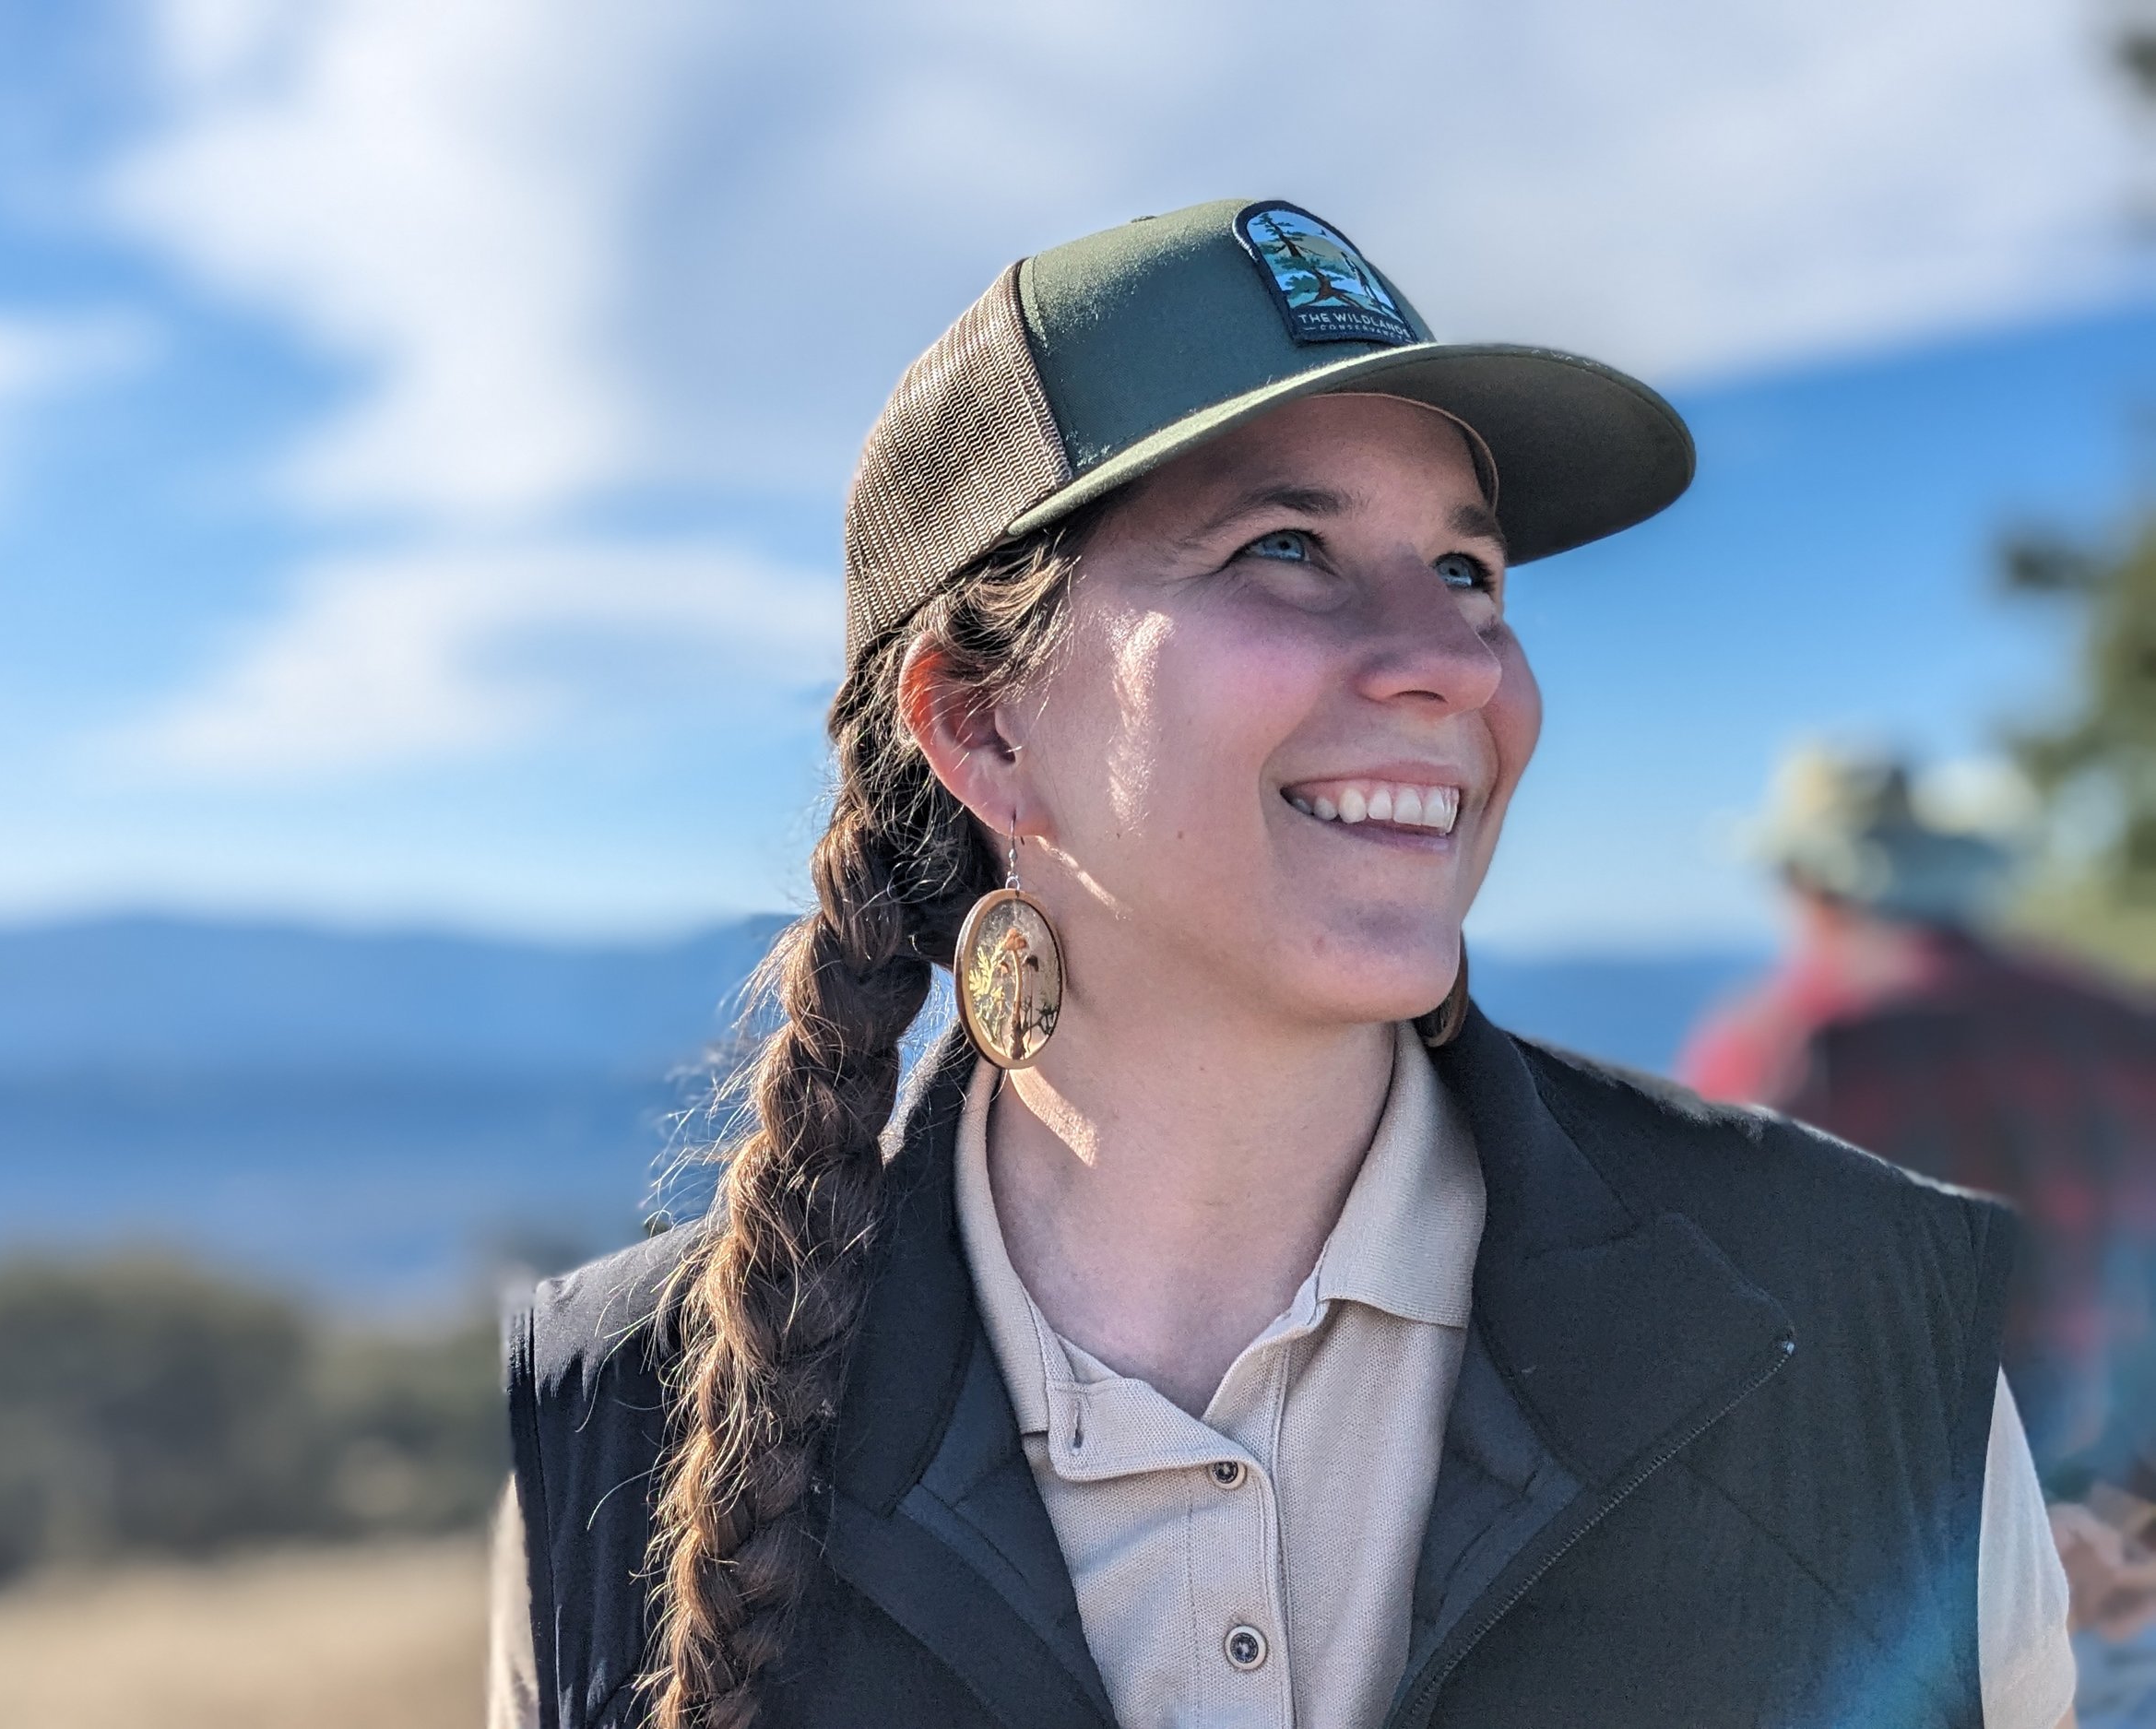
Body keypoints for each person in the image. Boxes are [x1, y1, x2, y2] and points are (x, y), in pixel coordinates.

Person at [495, 200, 2076, 1728]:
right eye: (1287, 547)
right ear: (982, 725)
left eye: (1467, 570)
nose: (1452, 661)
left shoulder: (1857, 1320)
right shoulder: (622, 1428)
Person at [1683, 746, 2156, 1721]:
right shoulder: (2120, 1026)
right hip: (2130, 1574)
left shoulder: (1796, 1045)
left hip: (1916, 1616)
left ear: (1812, 885)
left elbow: (1711, 1364)